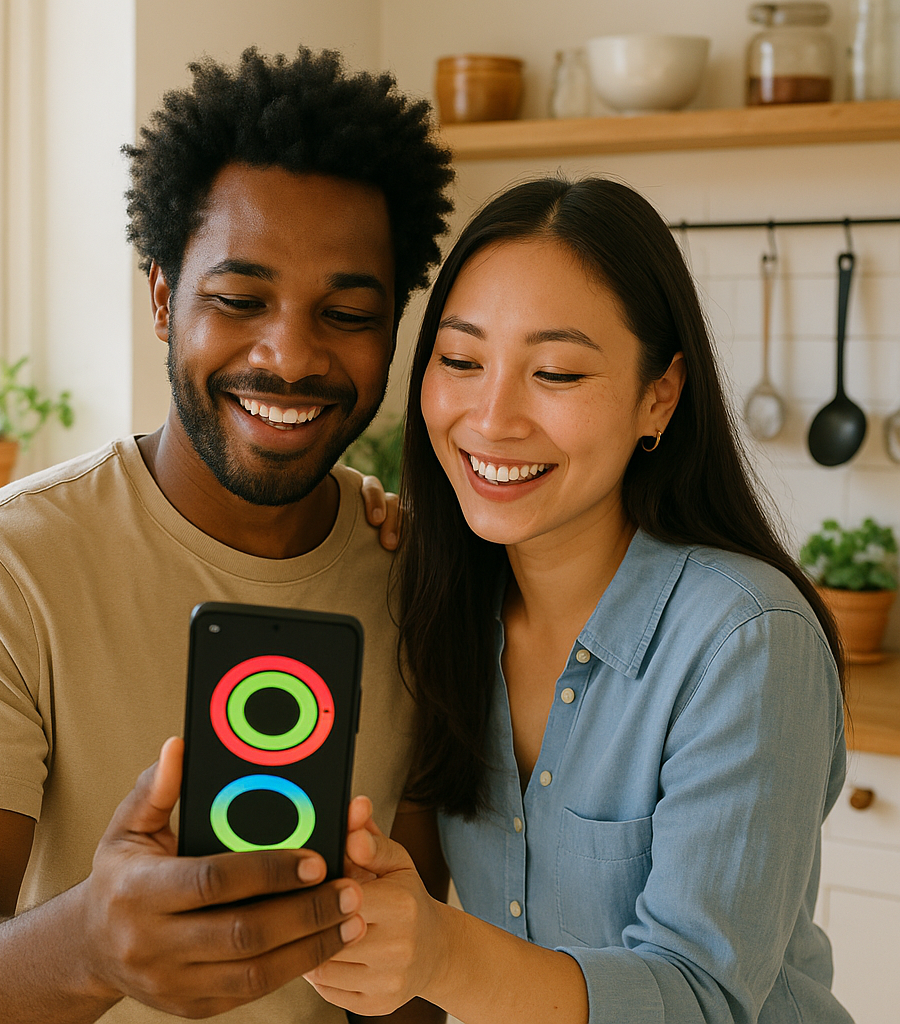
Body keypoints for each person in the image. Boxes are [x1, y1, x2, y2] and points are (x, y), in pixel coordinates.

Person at [0, 48, 452, 1024]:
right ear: (160, 297)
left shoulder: (414, 576)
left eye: (347, 313)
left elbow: (404, 976)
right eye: (238, 299)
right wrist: (93, 945)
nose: (290, 355)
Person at [305, 177, 854, 1024]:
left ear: (659, 396)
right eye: (460, 360)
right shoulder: (440, 604)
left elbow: (701, 999)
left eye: (556, 371)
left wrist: (441, 952)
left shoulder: (746, 638)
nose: (492, 418)